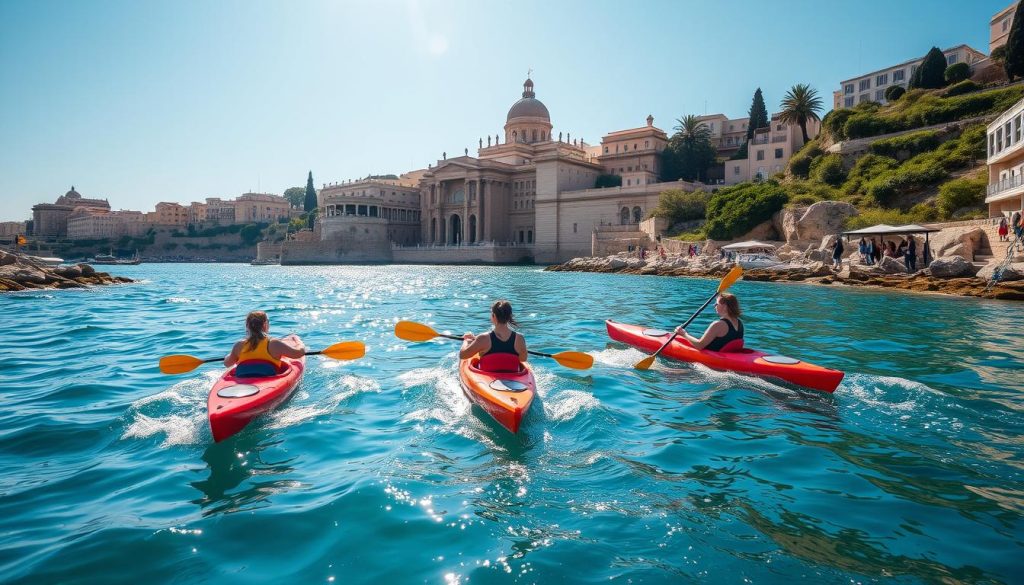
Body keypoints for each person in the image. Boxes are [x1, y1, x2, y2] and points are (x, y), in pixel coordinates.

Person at [224, 311, 306, 377]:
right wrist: (300, 344)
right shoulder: (274, 344)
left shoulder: (239, 345)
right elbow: (298, 353)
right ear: (265, 325)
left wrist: (231, 354)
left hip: (242, 379)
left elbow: (227, 363)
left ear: (247, 325)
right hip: (267, 379)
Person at [460, 300, 528, 371]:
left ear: (494, 316)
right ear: (510, 316)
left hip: (486, 378)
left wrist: (467, 341)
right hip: (512, 376)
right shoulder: (519, 338)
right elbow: (523, 359)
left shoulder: (483, 338)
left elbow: (463, 355)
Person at [674, 293, 744, 352]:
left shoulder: (718, 324)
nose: (714, 306)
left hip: (714, 359)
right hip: (728, 356)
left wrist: (684, 334)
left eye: (717, 304)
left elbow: (699, 346)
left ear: (725, 306)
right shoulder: (740, 323)